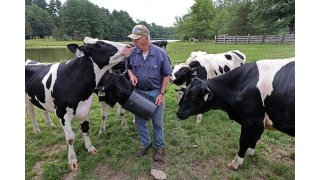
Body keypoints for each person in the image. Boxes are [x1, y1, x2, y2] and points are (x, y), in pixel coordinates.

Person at [122, 24, 172, 161]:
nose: (134, 42)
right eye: (133, 39)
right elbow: (129, 67)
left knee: (157, 123)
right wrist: (131, 75)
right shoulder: (133, 53)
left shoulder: (160, 53)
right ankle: (145, 144)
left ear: (145, 38)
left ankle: (159, 146)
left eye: (136, 39)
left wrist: (161, 94)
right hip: (139, 93)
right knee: (139, 122)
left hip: (156, 93)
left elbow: (167, 75)